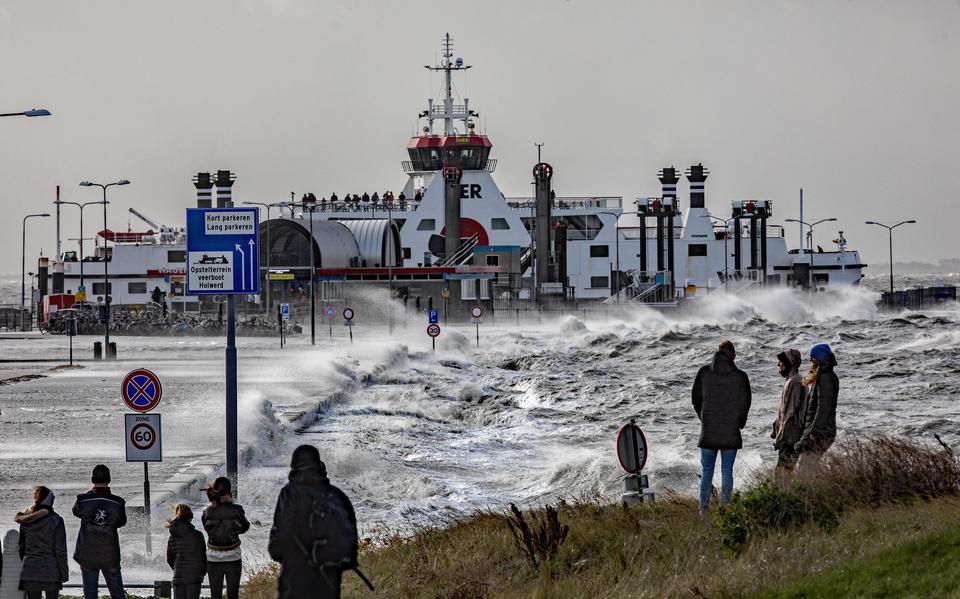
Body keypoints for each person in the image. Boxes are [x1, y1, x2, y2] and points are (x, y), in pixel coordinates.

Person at [268, 445, 359, 599]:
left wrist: (282, 554)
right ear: (318, 466)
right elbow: (350, 545)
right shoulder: (337, 496)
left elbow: (280, 538)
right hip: (327, 581)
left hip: (294, 579)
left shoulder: (290, 493)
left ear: (294, 465)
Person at [692, 340, 752, 514]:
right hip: (730, 431)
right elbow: (745, 402)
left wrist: (704, 418)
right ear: (732, 354)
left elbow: (695, 399)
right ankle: (725, 510)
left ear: (717, 352)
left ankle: (703, 510)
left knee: (706, 471)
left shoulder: (704, 372)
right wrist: (739, 422)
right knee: (727, 471)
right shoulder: (740, 376)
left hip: (709, 431)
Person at [72, 464, 127, 599]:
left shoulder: (83, 500)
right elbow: (121, 522)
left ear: (92, 480)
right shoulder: (118, 503)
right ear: (109, 480)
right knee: (118, 594)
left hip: (87, 554)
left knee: (90, 594)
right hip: (110, 554)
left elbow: (76, 512)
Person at [16, 485, 68, 599]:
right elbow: (60, 550)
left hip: (29, 571)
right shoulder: (56, 520)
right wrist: (64, 574)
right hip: (51, 571)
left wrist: (22, 569)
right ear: (50, 501)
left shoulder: (26, 520)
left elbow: (21, 549)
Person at [202, 477, 250, 599]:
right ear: (229, 492)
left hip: (213, 558)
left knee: (215, 595)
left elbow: (207, 529)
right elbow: (245, 527)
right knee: (233, 595)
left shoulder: (207, 511)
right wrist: (231, 504)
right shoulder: (237, 510)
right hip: (233, 557)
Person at [795, 343, 839, 471]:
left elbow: (823, 408)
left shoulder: (825, 378)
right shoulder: (824, 376)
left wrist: (813, 433)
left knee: (804, 470)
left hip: (820, 432)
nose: (810, 360)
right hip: (821, 430)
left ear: (820, 358)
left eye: (813, 357)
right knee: (810, 467)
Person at [771, 349, 805, 474]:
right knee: (785, 472)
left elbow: (790, 414)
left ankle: (784, 494)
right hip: (790, 434)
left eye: (780, 361)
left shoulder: (794, 382)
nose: (778, 364)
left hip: (791, 436)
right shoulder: (792, 380)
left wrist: (780, 438)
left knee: (782, 473)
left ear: (789, 362)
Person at [166, 503, 207, 599]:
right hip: (194, 577)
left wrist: (177, 570)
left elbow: (169, 559)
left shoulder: (172, 536)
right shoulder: (197, 535)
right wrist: (202, 572)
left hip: (178, 577)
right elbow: (203, 556)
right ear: (190, 517)